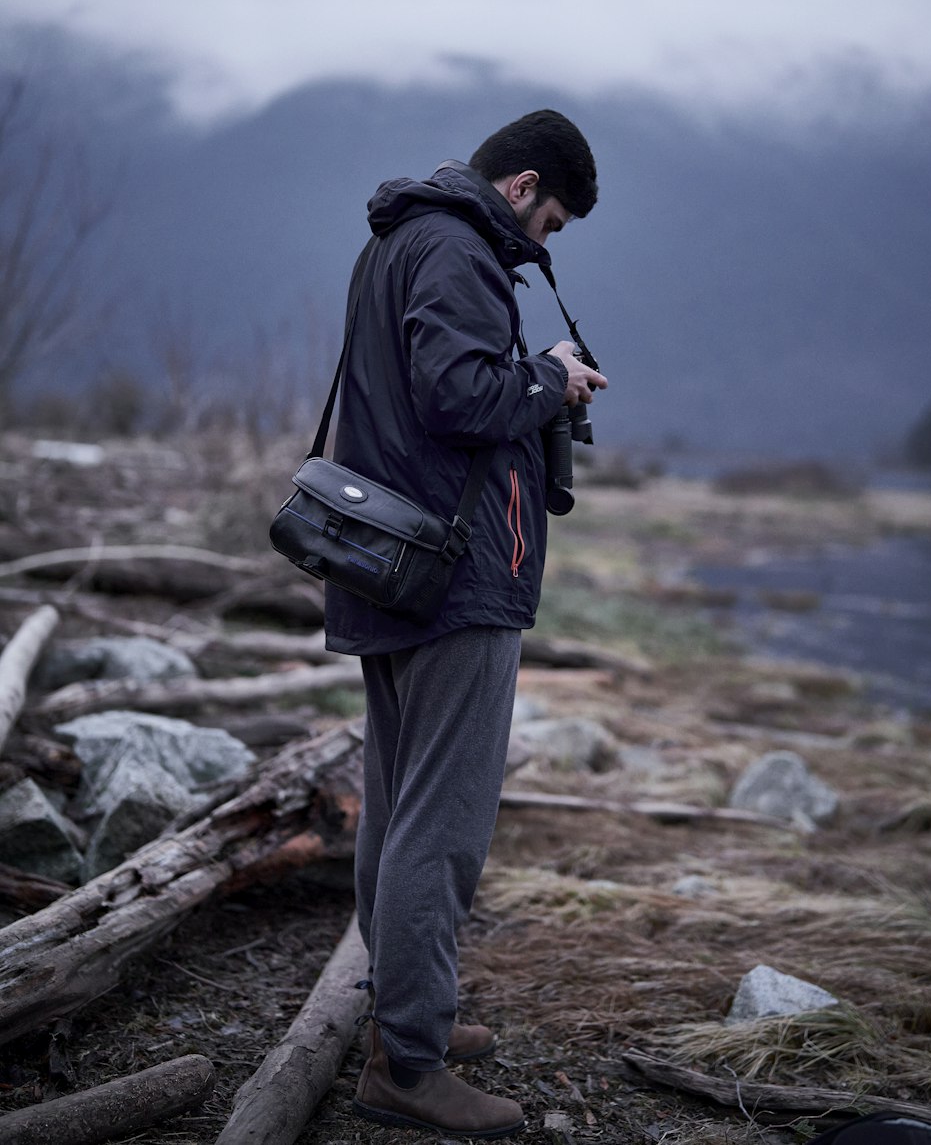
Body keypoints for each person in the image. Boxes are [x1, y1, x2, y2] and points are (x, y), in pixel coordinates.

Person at [326, 108, 608, 1138]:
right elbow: (457, 398)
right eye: (552, 225)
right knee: (440, 826)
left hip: (393, 562)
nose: (543, 246)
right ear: (523, 185)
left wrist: (524, 373)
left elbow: (425, 389)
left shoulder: (403, 239)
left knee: (399, 806)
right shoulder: (456, 248)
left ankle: (400, 1021)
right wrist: (551, 378)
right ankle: (406, 1062)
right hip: (455, 574)